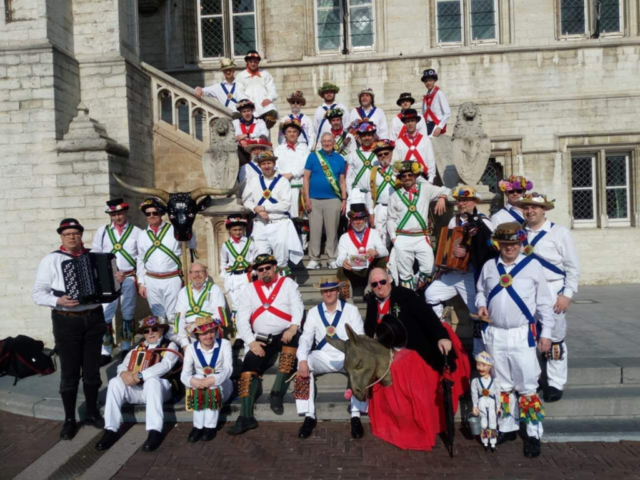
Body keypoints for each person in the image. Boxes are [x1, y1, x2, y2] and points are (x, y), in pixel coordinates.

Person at [362, 268, 470, 451]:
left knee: (399, 371)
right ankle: (393, 420)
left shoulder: (405, 295)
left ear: (389, 279)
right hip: (390, 348)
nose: (379, 287)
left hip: (413, 346)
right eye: (374, 284)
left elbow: (427, 317)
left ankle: (412, 424)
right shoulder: (372, 302)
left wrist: (442, 336)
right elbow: (369, 328)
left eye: (382, 282)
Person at [476, 222, 554, 459]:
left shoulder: (533, 266)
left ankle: (532, 434)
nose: (510, 248)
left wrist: (546, 333)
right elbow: (481, 290)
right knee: (502, 384)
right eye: (506, 243)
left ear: (521, 243)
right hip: (495, 333)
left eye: (514, 243)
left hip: (522, 334)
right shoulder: (490, 266)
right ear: (498, 244)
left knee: (528, 385)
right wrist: (480, 304)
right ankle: (507, 428)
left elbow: (543, 303)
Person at [32, 219, 107, 440]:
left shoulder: (95, 257)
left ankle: (92, 413)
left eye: (75, 233)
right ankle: (69, 419)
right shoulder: (51, 260)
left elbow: (108, 285)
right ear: (62, 237)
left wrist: (116, 280)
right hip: (67, 322)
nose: (72, 237)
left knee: (92, 372)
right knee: (70, 373)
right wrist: (59, 301)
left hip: (94, 318)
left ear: (81, 235)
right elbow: (38, 293)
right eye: (67, 234)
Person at [228, 254, 304, 435]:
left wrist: (293, 327)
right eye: (260, 270)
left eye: (267, 268)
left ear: (275, 267)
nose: (264, 272)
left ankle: (276, 392)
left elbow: (297, 307)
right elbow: (242, 319)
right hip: (261, 338)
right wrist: (251, 342)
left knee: (292, 344)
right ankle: (246, 417)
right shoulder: (249, 289)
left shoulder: (288, 284)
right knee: (248, 363)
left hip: (286, 333)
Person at [518, 192, 580, 403]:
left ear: (544, 209)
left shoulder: (559, 232)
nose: (530, 211)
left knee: (554, 336)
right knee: (528, 335)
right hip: (527, 291)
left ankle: (554, 382)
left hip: (553, 290)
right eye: (526, 207)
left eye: (534, 207)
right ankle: (533, 378)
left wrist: (567, 295)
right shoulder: (519, 233)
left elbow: (572, 267)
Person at [425, 186, 496, 356]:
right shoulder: (453, 220)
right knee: (430, 294)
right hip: (453, 273)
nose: (461, 203)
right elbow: (449, 244)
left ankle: (480, 353)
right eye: (459, 200)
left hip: (471, 276)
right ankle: (442, 330)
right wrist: (444, 265)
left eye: (465, 200)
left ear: (475, 202)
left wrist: (468, 253)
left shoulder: (484, 222)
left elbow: (489, 250)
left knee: (476, 312)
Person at [295, 276, 368, 440]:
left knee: (359, 364)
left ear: (337, 291)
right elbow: (306, 338)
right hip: (322, 357)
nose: (328, 293)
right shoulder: (313, 313)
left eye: (332, 290)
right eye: (325, 290)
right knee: (302, 363)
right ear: (321, 292)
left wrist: (355, 356)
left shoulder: (351, 311)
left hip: (345, 356)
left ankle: (355, 415)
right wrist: (302, 360)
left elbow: (360, 337)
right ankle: (309, 416)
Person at [96, 316, 180, 452]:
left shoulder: (170, 345)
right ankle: (111, 429)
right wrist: (124, 374)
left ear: (161, 330)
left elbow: (165, 366)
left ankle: (155, 431)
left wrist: (140, 376)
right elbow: (123, 366)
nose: (150, 333)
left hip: (160, 389)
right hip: (139, 389)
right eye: (146, 331)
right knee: (115, 382)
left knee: (152, 381)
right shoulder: (139, 347)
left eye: (154, 329)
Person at [386, 161, 450, 290]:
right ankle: (409, 298)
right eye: (404, 176)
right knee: (405, 274)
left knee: (429, 269)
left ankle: (413, 289)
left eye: (410, 175)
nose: (407, 178)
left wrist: (442, 197)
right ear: (400, 179)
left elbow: (447, 189)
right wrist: (394, 239)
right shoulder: (394, 197)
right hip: (402, 237)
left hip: (421, 237)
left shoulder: (425, 189)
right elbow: (390, 219)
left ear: (415, 176)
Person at [91, 198, 141, 364]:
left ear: (125, 212)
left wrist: (134, 277)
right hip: (108, 277)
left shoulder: (137, 232)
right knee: (106, 313)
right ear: (110, 215)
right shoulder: (102, 231)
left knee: (127, 311)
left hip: (128, 276)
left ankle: (126, 346)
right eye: (114, 214)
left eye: (120, 213)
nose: (117, 217)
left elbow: (140, 258)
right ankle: (105, 349)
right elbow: (96, 253)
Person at [242, 150, 303, 276]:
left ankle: (282, 287)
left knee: (281, 260)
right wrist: (256, 208)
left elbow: (285, 205)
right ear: (259, 165)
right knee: (260, 259)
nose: (266, 166)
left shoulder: (283, 181)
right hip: (260, 225)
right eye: (263, 164)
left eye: (269, 163)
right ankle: (263, 291)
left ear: (274, 163)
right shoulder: (253, 181)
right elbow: (246, 200)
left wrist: (264, 208)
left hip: (279, 224)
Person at [137, 198, 196, 326]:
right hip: (151, 279)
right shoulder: (142, 235)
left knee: (173, 313)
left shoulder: (175, 229)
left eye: (155, 213)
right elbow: (140, 259)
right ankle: (163, 341)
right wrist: (141, 282)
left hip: (172, 278)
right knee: (157, 313)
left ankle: (175, 341)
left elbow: (192, 245)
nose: (152, 216)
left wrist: (187, 227)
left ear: (161, 213)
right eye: (148, 214)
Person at [181, 316, 233, 443]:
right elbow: (184, 375)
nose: (208, 336)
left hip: (223, 385)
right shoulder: (191, 348)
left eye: (210, 332)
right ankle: (198, 427)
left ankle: (210, 427)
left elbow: (228, 369)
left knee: (212, 386)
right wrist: (193, 381)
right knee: (197, 379)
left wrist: (214, 379)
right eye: (203, 333)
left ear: (215, 331)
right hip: (201, 385)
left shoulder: (224, 344)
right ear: (197, 335)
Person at [303, 132, 348, 269]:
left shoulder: (340, 159)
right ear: (321, 143)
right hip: (314, 199)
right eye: (324, 141)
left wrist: (344, 199)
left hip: (333, 198)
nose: (327, 143)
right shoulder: (312, 156)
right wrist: (307, 198)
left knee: (332, 230)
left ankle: (332, 257)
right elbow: (306, 178)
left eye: (329, 141)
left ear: (334, 142)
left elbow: (342, 181)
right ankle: (314, 259)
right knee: (315, 230)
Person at [336, 203, 388, 299]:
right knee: (341, 269)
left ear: (365, 219)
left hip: (369, 271)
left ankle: (371, 289)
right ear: (350, 221)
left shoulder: (374, 233)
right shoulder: (344, 237)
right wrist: (343, 261)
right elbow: (339, 258)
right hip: (353, 271)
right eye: (355, 219)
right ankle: (348, 302)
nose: (358, 222)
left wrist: (376, 252)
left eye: (360, 219)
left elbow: (385, 251)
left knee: (381, 260)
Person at [274, 118, 311, 249]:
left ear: (298, 133)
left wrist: (292, 174)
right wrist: (283, 175)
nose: (292, 134)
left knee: (301, 217)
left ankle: (303, 245)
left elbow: (306, 165)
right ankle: (289, 245)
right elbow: (276, 166)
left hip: (299, 187)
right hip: (285, 188)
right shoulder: (279, 149)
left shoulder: (304, 148)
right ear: (285, 134)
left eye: (294, 131)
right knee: (287, 217)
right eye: (289, 131)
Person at [174, 262, 228, 350]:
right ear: (189, 275)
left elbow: (219, 316)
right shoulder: (183, 292)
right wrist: (184, 344)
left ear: (206, 274)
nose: (197, 275)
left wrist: (198, 324)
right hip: (190, 334)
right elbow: (180, 318)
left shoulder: (214, 289)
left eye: (200, 272)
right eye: (194, 272)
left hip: (209, 332)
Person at [353, 139, 397, 247]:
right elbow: (369, 193)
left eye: (386, 153)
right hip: (380, 208)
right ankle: (382, 262)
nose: (383, 156)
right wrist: (371, 213)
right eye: (380, 155)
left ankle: (395, 262)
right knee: (380, 238)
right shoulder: (373, 171)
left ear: (391, 153)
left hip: (396, 208)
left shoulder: (399, 169)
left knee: (397, 237)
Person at [219, 215, 259, 323]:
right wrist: (224, 276)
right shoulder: (226, 245)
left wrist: (254, 272)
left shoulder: (249, 243)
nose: (238, 232)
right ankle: (238, 331)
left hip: (246, 276)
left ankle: (250, 326)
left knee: (248, 301)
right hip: (233, 277)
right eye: (235, 230)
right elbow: (223, 262)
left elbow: (256, 258)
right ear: (230, 230)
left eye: (240, 229)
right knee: (235, 304)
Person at [235, 50, 278, 128]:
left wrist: (268, 98)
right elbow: (239, 92)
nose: (253, 64)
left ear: (258, 62)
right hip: (249, 108)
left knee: (272, 112)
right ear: (247, 62)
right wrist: (248, 102)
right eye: (251, 61)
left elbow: (272, 89)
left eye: (255, 61)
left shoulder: (265, 74)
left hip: (263, 107)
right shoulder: (241, 76)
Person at [395, 109, 436, 184]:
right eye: (408, 121)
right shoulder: (399, 142)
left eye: (412, 121)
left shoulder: (425, 140)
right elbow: (396, 163)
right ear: (405, 123)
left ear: (416, 122)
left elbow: (431, 160)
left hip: (424, 178)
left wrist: (431, 179)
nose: (410, 124)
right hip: (406, 180)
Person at [471, 351, 501, 452]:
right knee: (484, 423)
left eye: (483, 365)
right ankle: (485, 441)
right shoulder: (475, 381)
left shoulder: (495, 381)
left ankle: (493, 442)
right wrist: (475, 406)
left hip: (491, 402)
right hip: (481, 402)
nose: (480, 368)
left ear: (489, 367)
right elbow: (474, 394)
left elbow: (497, 394)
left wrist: (498, 407)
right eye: (478, 365)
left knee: (492, 423)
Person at [345, 120, 377, 211]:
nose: (366, 138)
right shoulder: (353, 155)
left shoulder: (379, 154)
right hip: (358, 195)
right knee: (358, 223)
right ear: (359, 137)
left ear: (373, 136)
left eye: (369, 135)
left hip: (374, 194)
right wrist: (351, 194)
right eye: (364, 135)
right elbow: (349, 178)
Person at [421, 69, 451, 137]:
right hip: (426, 126)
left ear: (434, 81)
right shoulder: (425, 97)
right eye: (426, 81)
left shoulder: (439, 94)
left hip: (436, 125)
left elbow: (447, 113)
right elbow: (423, 114)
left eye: (430, 80)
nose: (428, 83)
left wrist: (439, 127)